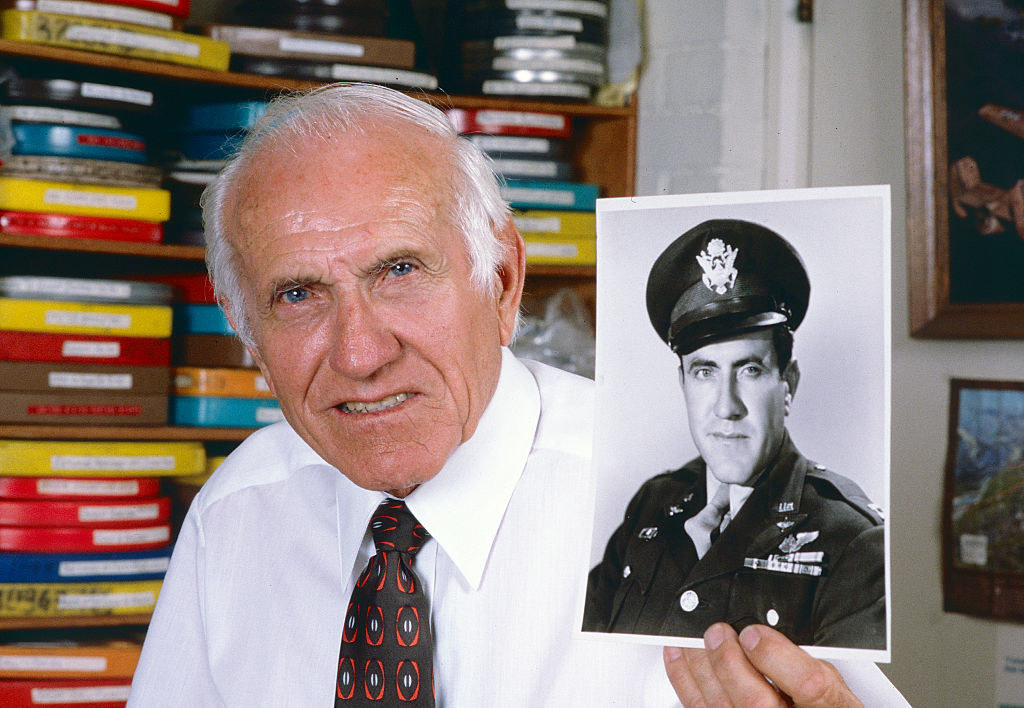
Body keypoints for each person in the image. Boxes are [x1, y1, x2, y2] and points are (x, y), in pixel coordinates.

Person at [128, 84, 905, 705]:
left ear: (502, 284)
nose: (359, 353)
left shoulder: (680, 506)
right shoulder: (240, 508)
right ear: (244, 329)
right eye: (298, 294)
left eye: (399, 271)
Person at [583, 219, 887, 650]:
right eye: (705, 372)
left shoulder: (854, 542)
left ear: (789, 384)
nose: (726, 406)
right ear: (683, 385)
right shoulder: (653, 504)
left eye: (750, 370)